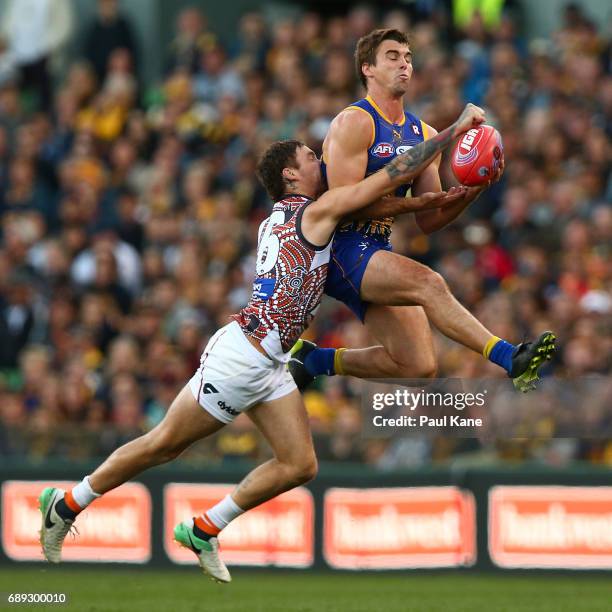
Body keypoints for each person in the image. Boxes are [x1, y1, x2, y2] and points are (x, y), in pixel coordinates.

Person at [38, 102, 485, 582]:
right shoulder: (315, 211)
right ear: (292, 175)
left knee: (299, 465)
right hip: (242, 357)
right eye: (312, 157)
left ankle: (206, 528)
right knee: (162, 445)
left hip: (270, 360)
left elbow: (372, 201)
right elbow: (377, 185)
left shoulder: (285, 214)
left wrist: (422, 203)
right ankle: (66, 503)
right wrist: (449, 139)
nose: (322, 160)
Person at [288, 29, 555, 393]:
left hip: (376, 250)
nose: (404, 64)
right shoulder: (354, 122)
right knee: (429, 282)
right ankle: (510, 357)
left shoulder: (421, 131)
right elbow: (344, 207)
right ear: (367, 68)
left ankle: (316, 360)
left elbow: (430, 219)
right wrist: (449, 138)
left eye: (409, 57)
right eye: (393, 56)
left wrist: (477, 187)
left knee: (419, 366)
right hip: (341, 250)